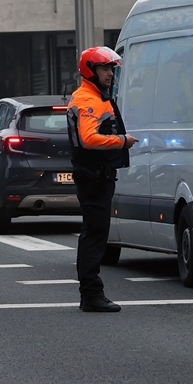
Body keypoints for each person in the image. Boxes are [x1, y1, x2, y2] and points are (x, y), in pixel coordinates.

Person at [67, 47, 136, 313]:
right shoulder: (88, 99)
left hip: (98, 175)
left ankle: (91, 294)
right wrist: (121, 141)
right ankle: (92, 294)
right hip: (93, 176)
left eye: (111, 69)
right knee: (95, 234)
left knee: (95, 232)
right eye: (105, 69)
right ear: (90, 71)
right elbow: (88, 139)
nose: (110, 74)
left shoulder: (96, 96)